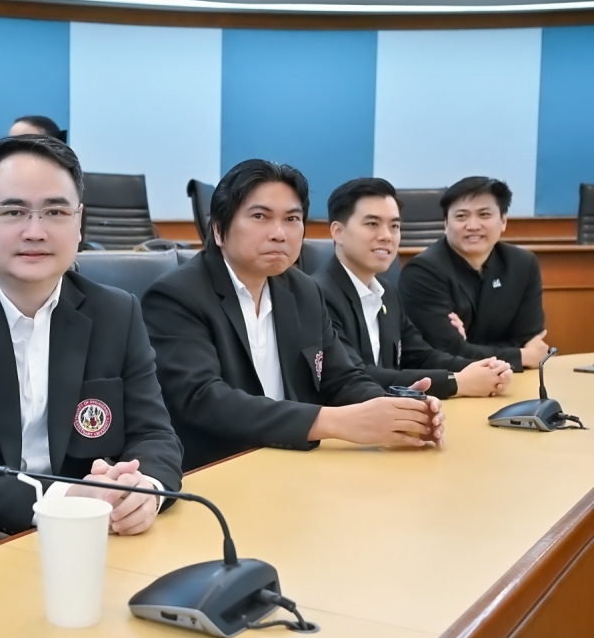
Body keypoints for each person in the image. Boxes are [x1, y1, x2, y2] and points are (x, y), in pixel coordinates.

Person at [0, 135, 183, 556]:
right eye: (14, 212)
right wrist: (64, 500)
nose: (35, 231)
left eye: (55, 212)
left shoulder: (117, 314)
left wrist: (145, 490)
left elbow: (155, 434)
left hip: (95, 534)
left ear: (79, 222)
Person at [141, 159, 444, 472]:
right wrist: (333, 421)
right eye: (260, 216)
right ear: (219, 229)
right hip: (216, 469)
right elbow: (204, 400)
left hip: (293, 463)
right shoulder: (177, 295)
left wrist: (393, 411)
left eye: (292, 219)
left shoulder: (304, 290)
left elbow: (342, 377)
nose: (279, 233)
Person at [313, 177, 512, 399]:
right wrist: (456, 382)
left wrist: (483, 369)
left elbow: (420, 355)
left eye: (394, 226)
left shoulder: (386, 292)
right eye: (372, 224)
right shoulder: (317, 296)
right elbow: (355, 376)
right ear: (338, 232)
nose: (386, 236)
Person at [399, 176, 548, 371]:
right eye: (461, 216)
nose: (473, 225)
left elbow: (527, 337)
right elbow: (445, 352)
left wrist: (467, 347)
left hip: (512, 378)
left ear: (503, 221)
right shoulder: (422, 272)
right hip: (446, 383)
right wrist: (521, 356)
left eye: (484, 215)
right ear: (445, 224)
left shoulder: (522, 264)